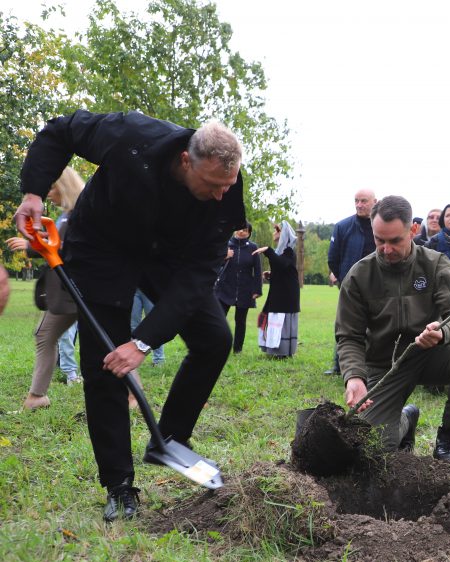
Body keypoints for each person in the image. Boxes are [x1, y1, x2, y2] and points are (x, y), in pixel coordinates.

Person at [16, 110, 246, 522]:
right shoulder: (131, 136)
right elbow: (60, 131)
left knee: (214, 338)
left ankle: (169, 438)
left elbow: (198, 275)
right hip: (103, 248)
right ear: (185, 161)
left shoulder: (227, 188)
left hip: (169, 256)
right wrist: (33, 193)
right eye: (212, 185)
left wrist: (142, 342)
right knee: (104, 368)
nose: (220, 195)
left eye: (226, 186)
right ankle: (119, 486)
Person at [336, 195, 450, 460]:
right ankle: (406, 419)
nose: (386, 249)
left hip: (430, 355)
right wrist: (354, 377)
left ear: (413, 230)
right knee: (373, 448)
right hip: (385, 366)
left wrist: (442, 332)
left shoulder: (435, 264)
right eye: (379, 240)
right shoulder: (359, 275)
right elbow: (349, 335)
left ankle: (448, 437)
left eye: (395, 241)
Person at [5, 167, 85, 409]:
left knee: (46, 336)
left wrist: (30, 248)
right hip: (70, 292)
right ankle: (37, 397)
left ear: (64, 186)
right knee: (106, 340)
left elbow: (65, 249)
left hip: (76, 292)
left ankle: (37, 397)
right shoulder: (67, 214)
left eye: (51, 188)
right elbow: (56, 245)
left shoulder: (79, 214)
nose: (48, 193)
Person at [324, 189, 377, 374]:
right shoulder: (342, 226)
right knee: (346, 325)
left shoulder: (381, 225)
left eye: (364, 201)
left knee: (378, 325)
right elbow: (333, 258)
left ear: (374, 202)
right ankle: (339, 366)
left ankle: (375, 366)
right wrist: (344, 280)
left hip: (379, 283)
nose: (359, 205)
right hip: (351, 285)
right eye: (356, 201)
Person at [214, 224, 263, 354]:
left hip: (245, 289)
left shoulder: (253, 248)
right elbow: (212, 263)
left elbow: (257, 270)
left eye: (245, 230)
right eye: (240, 229)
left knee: (240, 321)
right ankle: (218, 346)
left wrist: (257, 290)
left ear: (249, 233)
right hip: (225, 288)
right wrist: (224, 256)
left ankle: (237, 349)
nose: (242, 232)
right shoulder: (226, 244)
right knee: (219, 319)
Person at [255, 221, 300, 358]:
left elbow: (282, 264)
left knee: (281, 320)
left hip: (286, 295)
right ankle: (275, 350)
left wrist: (267, 251)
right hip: (279, 293)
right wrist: (271, 275)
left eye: (276, 231)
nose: (274, 233)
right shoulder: (281, 252)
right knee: (272, 317)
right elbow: (281, 269)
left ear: (283, 234)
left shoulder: (289, 252)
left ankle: (282, 352)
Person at [131, 290, 166, 365]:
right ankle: (132, 359)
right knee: (133, 326)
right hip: (133, 289)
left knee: (155, 324)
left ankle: (159, 360)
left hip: (149, 288)